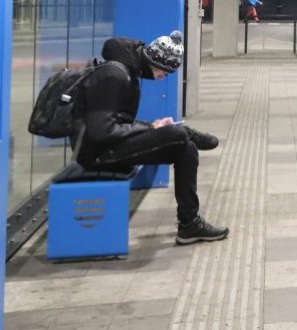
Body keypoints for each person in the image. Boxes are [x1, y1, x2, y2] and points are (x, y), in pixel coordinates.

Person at [74, 30, 229, 245]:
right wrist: (150, 129)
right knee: (177, 134)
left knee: (186, 148)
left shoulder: (125, 72)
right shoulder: (113, 75)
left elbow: (117, 125)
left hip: (112, 145)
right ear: (152, 61)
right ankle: (187, 132)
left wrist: (150, 127)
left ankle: (189, 224)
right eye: (163, 71)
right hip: (97, 153)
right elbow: (101, 131)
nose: (163, 77)